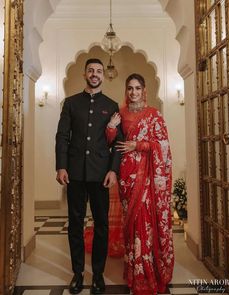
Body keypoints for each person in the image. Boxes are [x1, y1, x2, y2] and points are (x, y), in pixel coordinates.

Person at [55, 58, 123, 295]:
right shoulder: (71, 103)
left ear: (103, 76)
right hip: (74, 174)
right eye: (91, 71)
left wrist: (113, 170)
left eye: (99, 71)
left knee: (101, 225)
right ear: (85, 74)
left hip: (101, 175)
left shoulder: (112, 105)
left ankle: (98, 275)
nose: (95, 74)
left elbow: (118, 143)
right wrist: (61, 166)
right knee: (75, 224)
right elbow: (62, 136)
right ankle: (77, 274)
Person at [106, 73, 174, 294]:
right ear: (126, 91)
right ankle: (134, 270)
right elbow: (112, 143)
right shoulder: (121, 113)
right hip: (126, 177)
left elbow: (162, 146)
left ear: (144, 90)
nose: (133, 92)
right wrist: (110, 128)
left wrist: (139, 145)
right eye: (130, 88)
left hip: (147, 178)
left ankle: (147, 271)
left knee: (145, 223)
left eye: (137, 88)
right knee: (132, 223)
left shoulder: (154, 115)